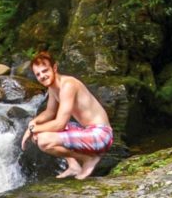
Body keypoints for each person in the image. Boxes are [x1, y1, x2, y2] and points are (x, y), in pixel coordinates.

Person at [20, 51, 113, 180]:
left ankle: (89, 158)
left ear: (55, 68)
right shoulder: (53, 88)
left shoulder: (68, 85)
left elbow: (60, 124)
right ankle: (74, 166)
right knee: (38, 132)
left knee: (43, 140)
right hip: (88, 131)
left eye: (45, 71)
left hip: (101, 135)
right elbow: (49, 112)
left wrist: (33, 130)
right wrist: (32, 124)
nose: (42, 76)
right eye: (38, 74)